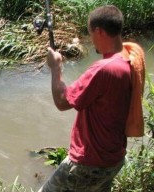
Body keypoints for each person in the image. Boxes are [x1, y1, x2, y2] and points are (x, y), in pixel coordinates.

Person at [39, 5, 137, 192]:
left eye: (91, 34)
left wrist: (56, 68)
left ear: (99, 31)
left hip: (88, 163)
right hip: (114, 160)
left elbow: (62, 101)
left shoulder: (102, 69)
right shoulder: (130, 60)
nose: (91, 41)